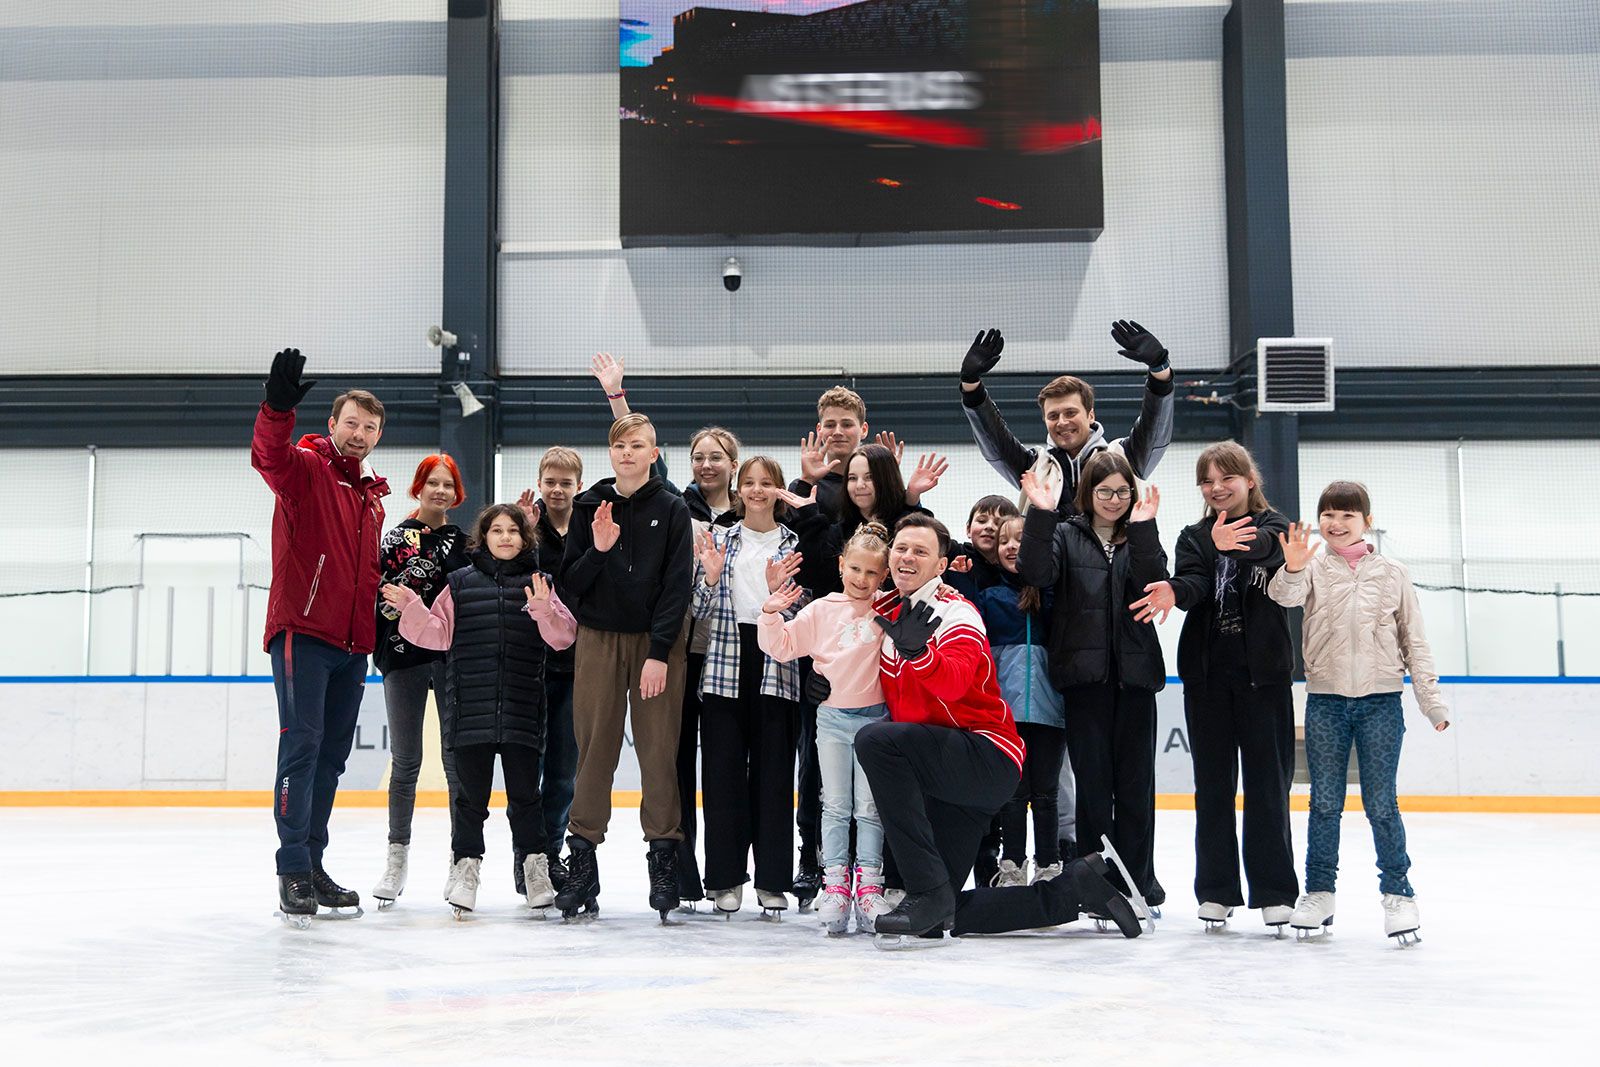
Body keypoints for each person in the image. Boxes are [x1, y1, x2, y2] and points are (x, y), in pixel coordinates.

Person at [852, 514, 1145, 943]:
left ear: (940, 565)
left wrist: (921, 654)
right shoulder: (886, 609)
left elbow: (953, 683)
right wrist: (825, 677)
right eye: (901, 548)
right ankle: (1074, 891)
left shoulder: (956, 613)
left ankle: (928, 891)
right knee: (941, 915)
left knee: (874, 741)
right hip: (942, 765)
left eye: (921, 551)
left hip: (985, 754)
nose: (907, 557)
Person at [1268, 482, 1450, 944]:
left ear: (1366, 521)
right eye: (1328, 514)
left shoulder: (1392, 572)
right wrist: (1291, 567)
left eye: (1347, 515)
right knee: (1324, 804)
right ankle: (1319, 892)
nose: (1335, 523)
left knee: (1381, 804)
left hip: (1381, 702)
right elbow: (1281, 598)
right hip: (1326, 701)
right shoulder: (1311, 567)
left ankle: (1398, 893)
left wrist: (1431, 702)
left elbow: (1415, 640)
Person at [1130, 441, 1298, 931]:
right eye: (1207, 480)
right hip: (1207, 678)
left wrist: (1238, 545)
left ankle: (1274, 890)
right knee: (1213, 786)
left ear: (1249, 480)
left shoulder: (1276, 528)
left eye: (1226, 477)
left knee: (1269, 784)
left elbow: (1271, 551)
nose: (1216, 488)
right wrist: (1173, 589)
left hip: (1263, 678)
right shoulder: (1194, 535)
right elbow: (1195, 582)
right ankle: (1217, 890)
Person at [587, 352, 735, 907]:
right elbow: (640, 463)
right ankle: (680, 873)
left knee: (705, 766)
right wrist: (616, 395)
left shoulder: (750, 512)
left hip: (716, 656)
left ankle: (709, 874)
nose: (705, 464)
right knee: (668, 759)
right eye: (697, 456)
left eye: (716, 456)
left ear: (733, 463)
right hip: (672, 647)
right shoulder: (678, 503)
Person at [252, 348, 390, 925]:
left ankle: (312, 862)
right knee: (302, 746)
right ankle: (290, 869)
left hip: (351, 645)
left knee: (332, 757)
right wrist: (276, 409)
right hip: (303, 633)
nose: (360, 434)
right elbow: (269, 458)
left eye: (370, 427)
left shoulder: (369, 498)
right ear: (332, 425)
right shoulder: (307, 469)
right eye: (351, 423)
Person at [385, 504, 577, 915]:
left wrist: (544, 608)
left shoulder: (540, 584)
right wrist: (413, 609)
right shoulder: (458, 584)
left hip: (523, 709)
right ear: (483, 537)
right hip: (469, 709)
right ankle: (466, 869)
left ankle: (536, 869)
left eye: (513, 531)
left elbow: (563, 638)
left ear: (526, 539)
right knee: (470, 800)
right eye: (497, 530)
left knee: (526, 798)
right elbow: (437, 636)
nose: (505, 537)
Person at [557, 412, 694, 922]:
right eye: (620, 446)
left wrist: (659, 652)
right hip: (598, 640)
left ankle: (662, 861)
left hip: (655, 645)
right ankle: (583, 863)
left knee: (659, 753)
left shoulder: (673, 508)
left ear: (653, 454)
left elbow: (677, 585)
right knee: (594, 751)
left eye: (638, 446)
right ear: (610, 452)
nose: (628, 453)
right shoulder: (590, 503)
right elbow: (570, 582)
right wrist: (598, 550)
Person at [1019, 452, 1168, 911]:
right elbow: (1035, 572)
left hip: (1136, 677)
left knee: (1137, 786)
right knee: (1094, 787)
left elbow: (1152, 578)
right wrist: (1042, 515)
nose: (1114, 500)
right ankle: (1097, 886)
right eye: (1104, 491)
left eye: (1122, 491)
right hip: (1084, 681)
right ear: (1088, 493)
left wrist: (1143, 527)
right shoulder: (1066, 533)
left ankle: (1138, 884)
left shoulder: (1139, 534)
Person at [757, 522, 897, 935]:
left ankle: (869, 885)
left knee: (870, 808)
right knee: (835, 805)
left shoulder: (889, 609)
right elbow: (780, 646)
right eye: (855, 569)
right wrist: (770, 612)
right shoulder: (820, 610)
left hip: (877, 721)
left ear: (883, 575)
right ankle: (835, 883)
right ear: (841, 565)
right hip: (833, 720)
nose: (862, 579)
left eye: (872, 573)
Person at [690, 456, 805, 917]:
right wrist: (712, 576)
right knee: (721, 776)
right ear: (738, 489)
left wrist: (780, 601)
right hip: (724, 659)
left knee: (775, 775)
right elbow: (698, 607)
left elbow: (805, 611)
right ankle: (724, 878)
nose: (757, 491)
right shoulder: (719, 538)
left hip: (775, 657)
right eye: (750, 483)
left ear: (779, 490)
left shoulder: (795, 543)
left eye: (767, 483)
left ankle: (773, 880)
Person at [372, 454, 470, 907]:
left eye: (448, 485)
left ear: (457, 493)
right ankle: (397, 858)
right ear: (418, 486)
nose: (440, 491)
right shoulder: (394, 539)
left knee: (456, 763)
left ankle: (460, 861)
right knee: (406, 762)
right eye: (432, 482)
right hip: (402, 656)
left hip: (449, 658)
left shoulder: (463, 543)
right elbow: (379, 597)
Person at [958, 322, 1175, 523]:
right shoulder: (1033, 467)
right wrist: (971, 386)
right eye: (1053, 416)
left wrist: (1159, 371)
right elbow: (994, 440)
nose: (1062, 422)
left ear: (1091, 415)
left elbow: (1155, 428)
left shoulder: (1123, 456)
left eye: (1070, 412)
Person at [977, 513, 1068, 888]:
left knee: (1046, 793)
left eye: (1021, 540)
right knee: (1013, 794)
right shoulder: (990, 598)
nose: (1012, 546)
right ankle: (1012, 864)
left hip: (1050, 713)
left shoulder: (1055, 595)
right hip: (1005, 714)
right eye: (1004, 542)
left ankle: (1049, 865)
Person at [514, 446, 586, 897]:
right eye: (550, 481)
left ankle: (549, 857)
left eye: (566, 482)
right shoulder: (523, 527)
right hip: (530, 667)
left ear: (578, 485)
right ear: (540, 482)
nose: (557, 489)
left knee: (562, 774)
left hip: (578, 668)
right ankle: (527, 862)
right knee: (528, 772)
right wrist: (524, 535)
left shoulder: (591, 528)